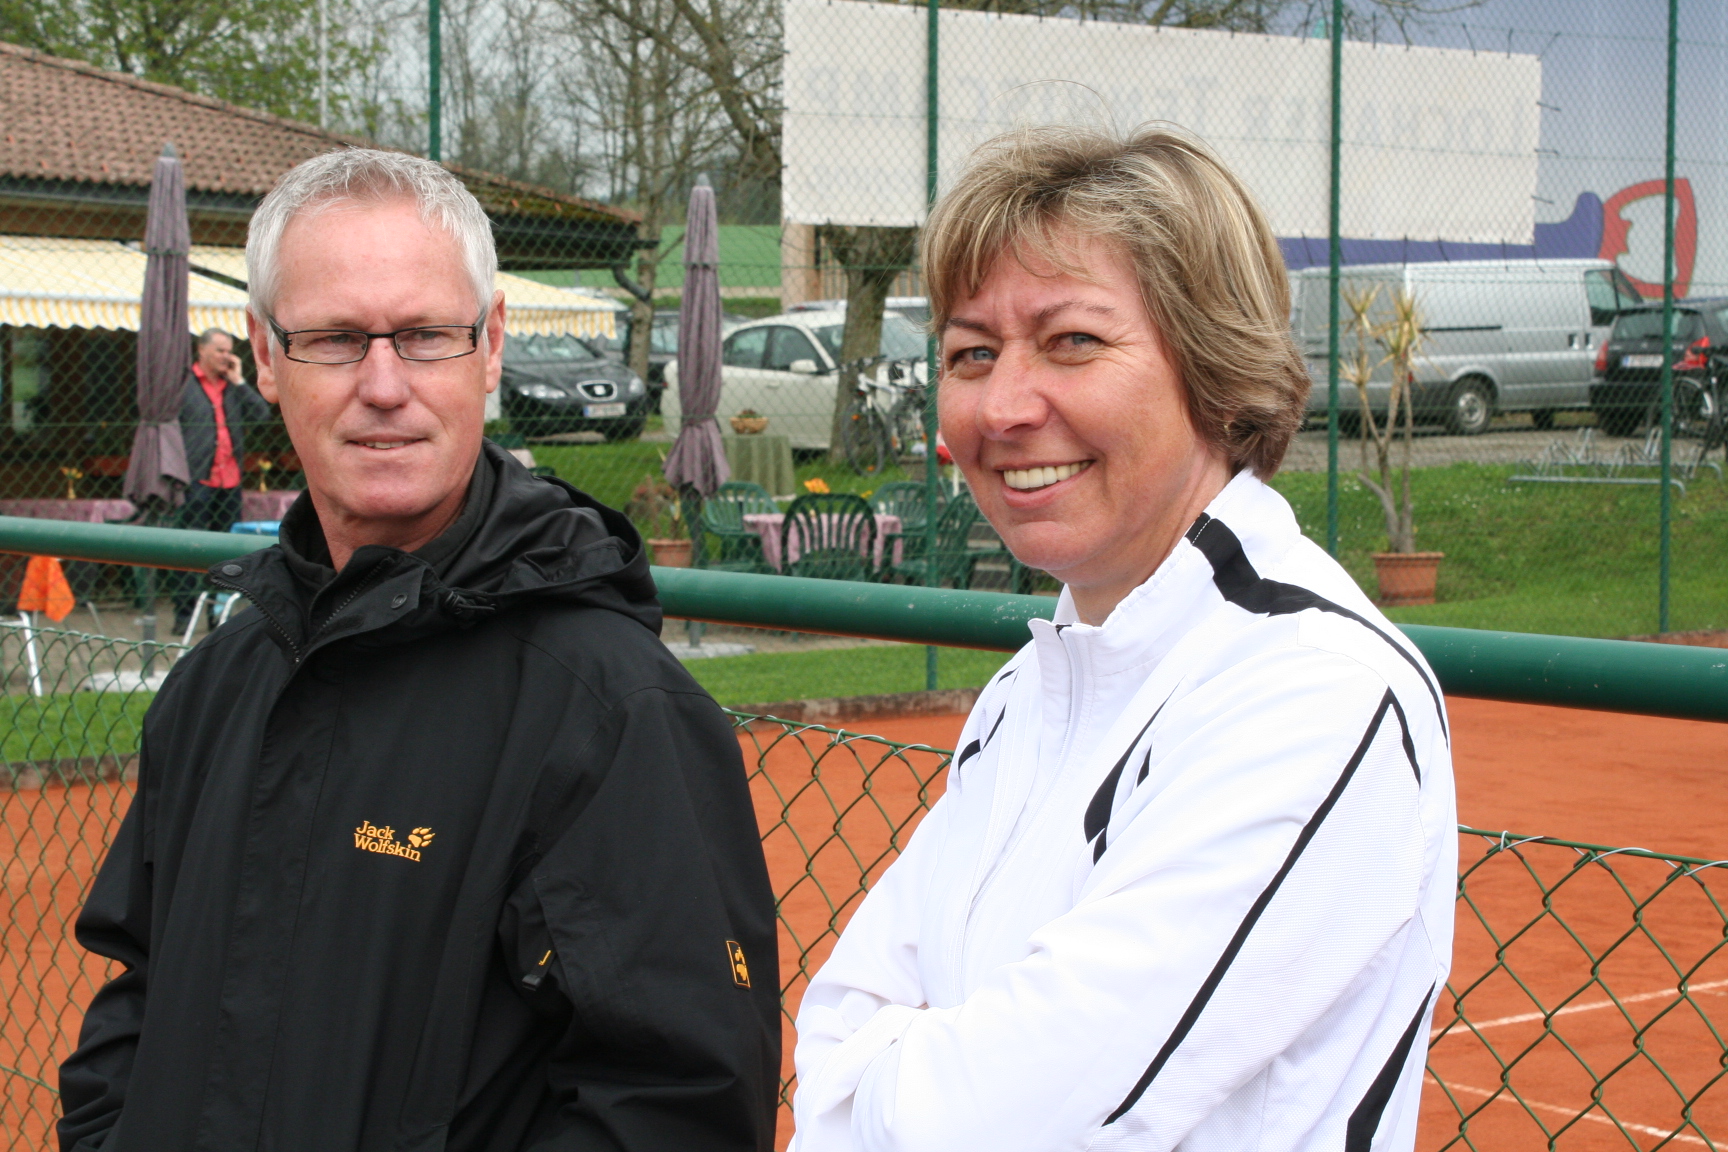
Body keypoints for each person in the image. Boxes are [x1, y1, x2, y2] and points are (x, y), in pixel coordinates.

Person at [59, 148, 780, 1152]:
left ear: (490, 346)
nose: (384, 385)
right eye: (335, 339)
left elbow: (675, 1107)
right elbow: (141, 990)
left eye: (426, 336)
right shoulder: (218, 683)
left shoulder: (609, 707)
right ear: (264, 355)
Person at [789, 126, 1456, 1152]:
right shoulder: (1032, 686)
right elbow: (837, 1023)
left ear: (1215, 365)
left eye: (1072, 342)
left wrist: (882, 1083)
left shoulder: (1317, 690)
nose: (1003, 408)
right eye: (972, 353)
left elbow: (995, 1130)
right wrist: (894, 1083)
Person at [171, 327, 272, 634]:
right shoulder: (183, 384)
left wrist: (240, 381)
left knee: (225, 552)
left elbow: (261, 414)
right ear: (201, 350)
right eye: (220, 350)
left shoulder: (232, 387)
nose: (226, 356)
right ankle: (184, 615)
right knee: (189, 548)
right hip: (196, 480)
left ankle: (217, 616)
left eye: (229, 351)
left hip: (229, 482)